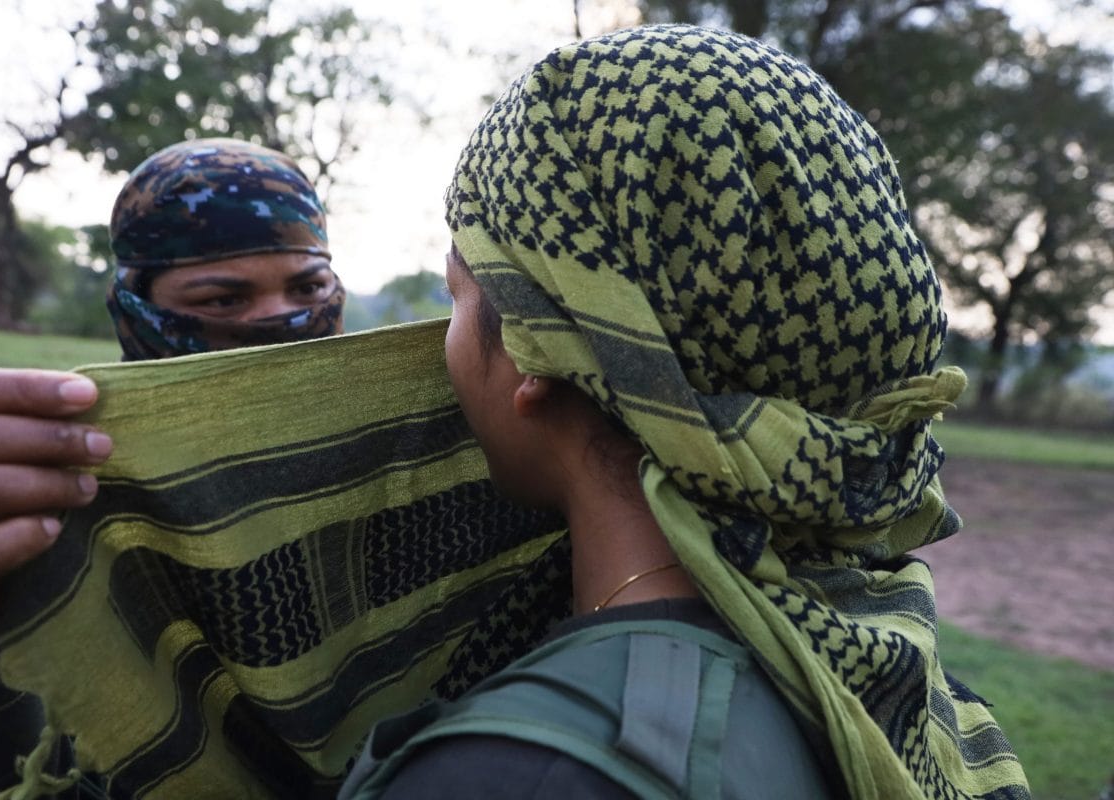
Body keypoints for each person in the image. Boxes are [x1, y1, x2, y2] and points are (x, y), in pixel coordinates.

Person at [339, 25, 1029, 799]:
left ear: (535, 351)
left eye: (457, 297)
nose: (446, 338)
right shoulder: (885, 657)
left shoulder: (525, 771)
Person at [0, 138, 345, 798]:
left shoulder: (394, 463)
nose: (278, 322)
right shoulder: (57, 485)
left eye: (308, 287)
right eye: (222, 301)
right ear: (136, 313)